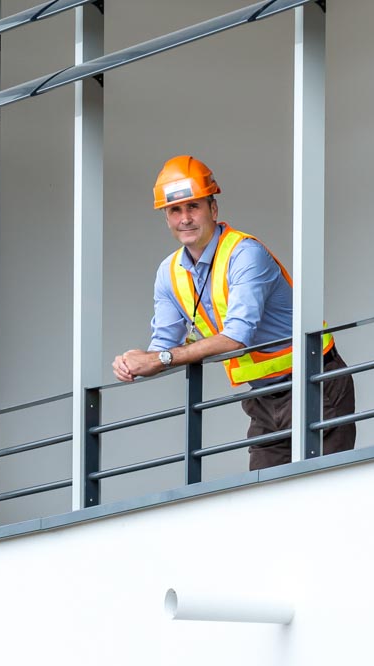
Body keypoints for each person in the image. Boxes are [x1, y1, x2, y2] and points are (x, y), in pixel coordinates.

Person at [112, 155, 356, 468]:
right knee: (265, 502)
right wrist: (134, 362)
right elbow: (163, 345)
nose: (185, 218)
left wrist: (159, 359)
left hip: (314, 383)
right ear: (167, 218)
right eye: (175, 210)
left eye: (193, 206)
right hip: (261, 400)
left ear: (213, 209)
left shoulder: (245, 254)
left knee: (326, 490)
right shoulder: (169, 273)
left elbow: (236, 337)